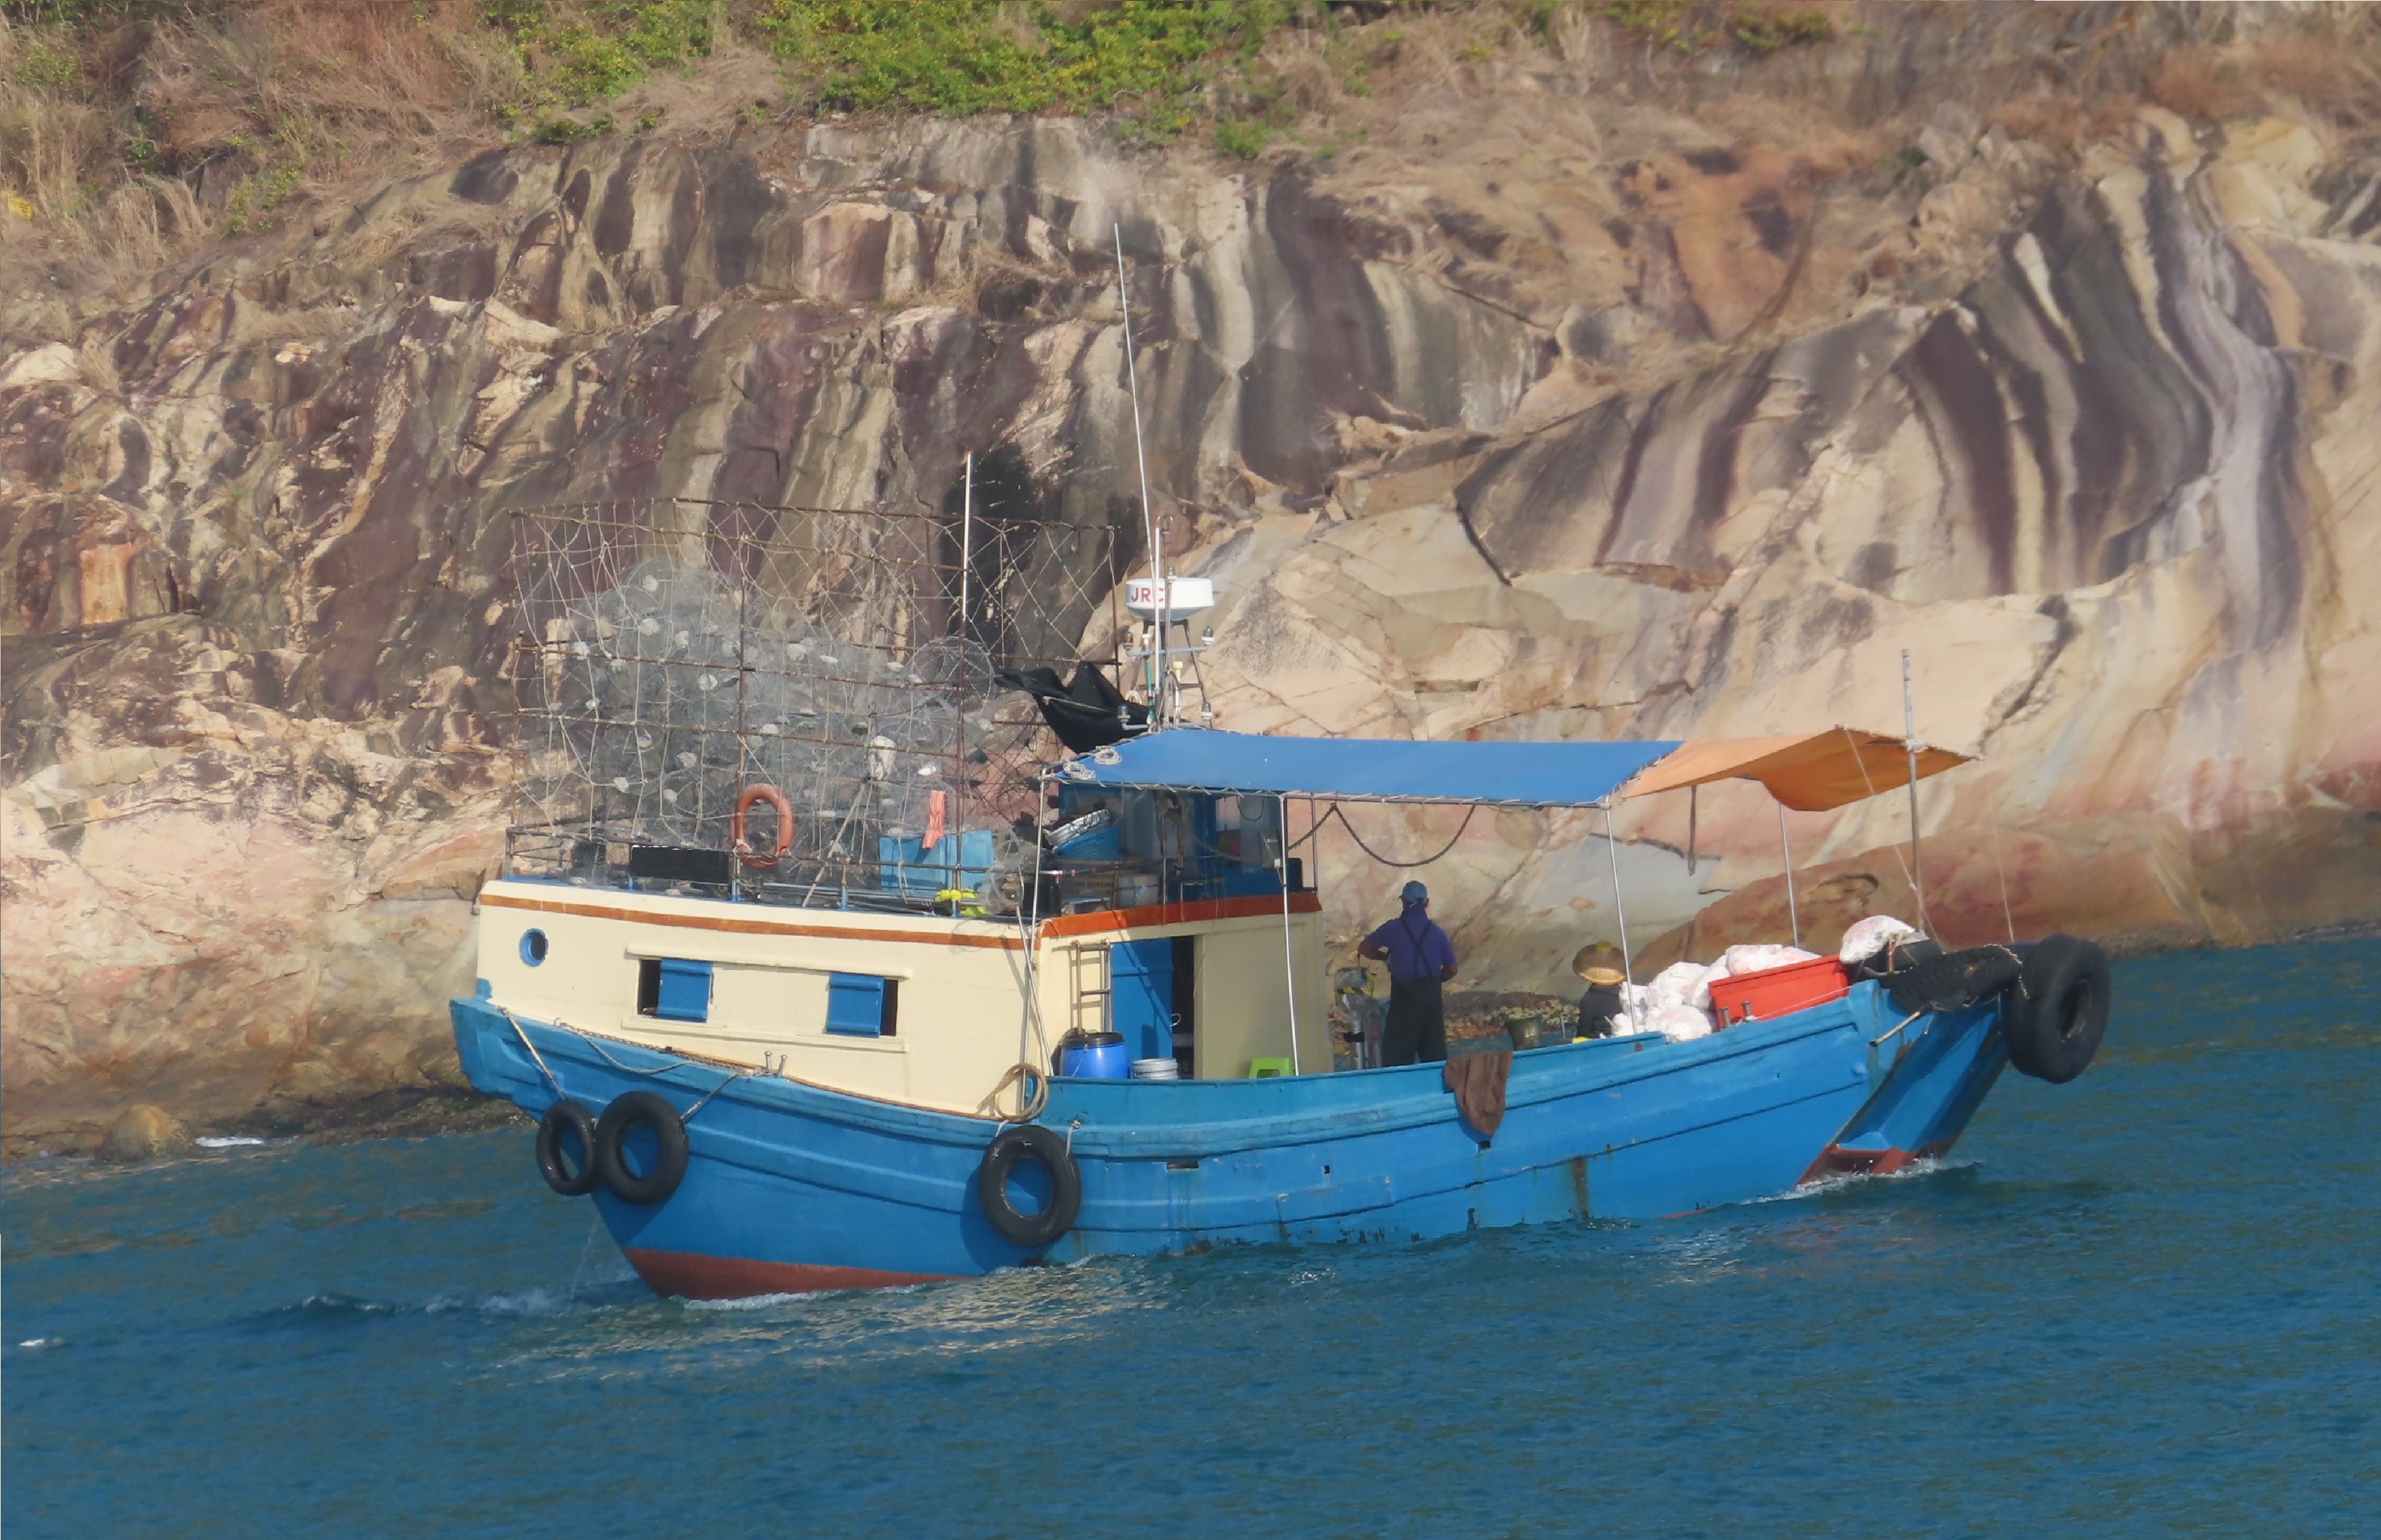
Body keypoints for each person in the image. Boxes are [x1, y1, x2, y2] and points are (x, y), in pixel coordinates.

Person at [1358, 880, 1457, 1066]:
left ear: (1403, 902)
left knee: (1397, 1060)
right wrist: (1435, 980)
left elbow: (1364, 948)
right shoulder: (1437, 933)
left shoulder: (1393, 928)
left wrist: (1385, 958)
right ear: (1426, 903)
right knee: (1435, 1062)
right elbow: (1452, 969)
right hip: (1431, 1004)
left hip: (1405, 1003)